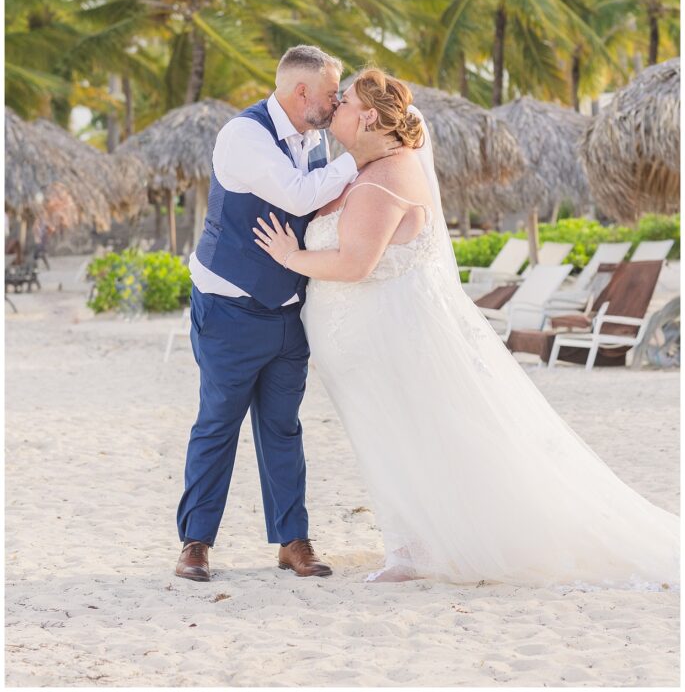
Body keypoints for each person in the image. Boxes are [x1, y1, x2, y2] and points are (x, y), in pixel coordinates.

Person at [254, 68, 680, 588]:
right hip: (369, 341)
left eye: (344, 101)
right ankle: (414, 546)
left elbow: (355, 264)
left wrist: (290, 255)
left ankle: (416, 551)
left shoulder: (383, 180)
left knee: (406, 438)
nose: (335, 106)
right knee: (397, 439)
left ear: (367, 117)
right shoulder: (373, 169)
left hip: (385, 341)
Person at [175, 46, 400, 582]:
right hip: (230, 306)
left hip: (289, 310)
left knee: (283, 428)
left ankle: (292, 541)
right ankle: (196, 543)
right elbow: (299, 197)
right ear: (302, 93)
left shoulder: (317, 137)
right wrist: (362, 152)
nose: (337, 100)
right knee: (217, 425)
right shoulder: (243, 136)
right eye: (331, 93)